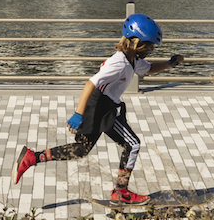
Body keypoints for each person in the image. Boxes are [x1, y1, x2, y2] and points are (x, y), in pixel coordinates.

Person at [12, 12, 184, 205]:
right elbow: (90, 84)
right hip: (100, 107)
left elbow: (149, 68)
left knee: (81, 150)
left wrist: (170, 64)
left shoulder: (132, 59)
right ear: (137, 43)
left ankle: (32, 158)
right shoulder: (118, 63)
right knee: (133, 144)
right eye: (150, 46)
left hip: (104, 105)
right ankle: (121, 192)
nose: (151, 50)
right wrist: (78, 114)